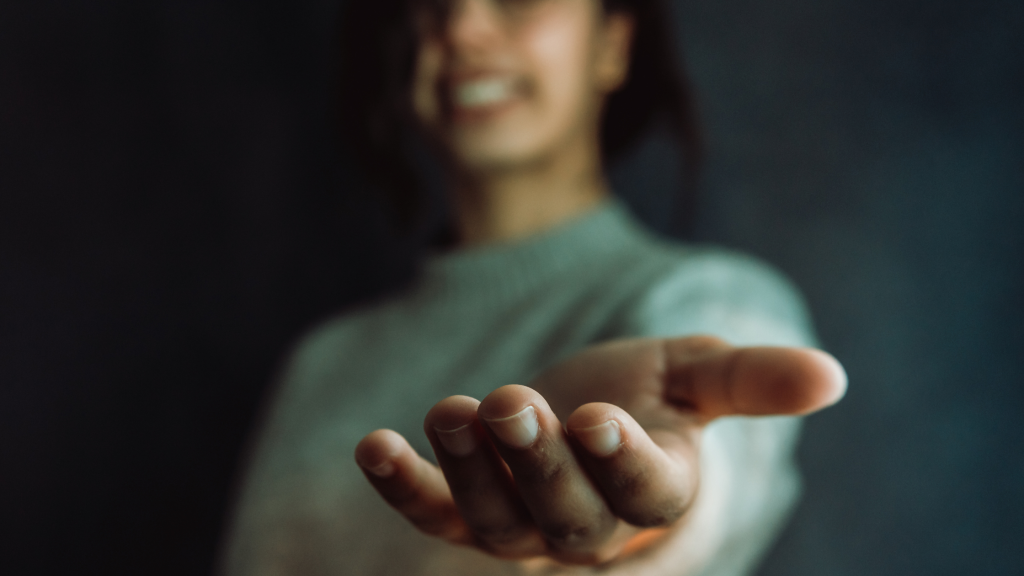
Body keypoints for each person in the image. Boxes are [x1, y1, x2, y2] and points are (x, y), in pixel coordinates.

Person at [218, 0, 847, 574]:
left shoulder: (707, 295)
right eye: (432, 6)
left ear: (612, 45)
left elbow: (719, 464)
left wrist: (651, 502)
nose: (461, 30)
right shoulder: (323, 363)